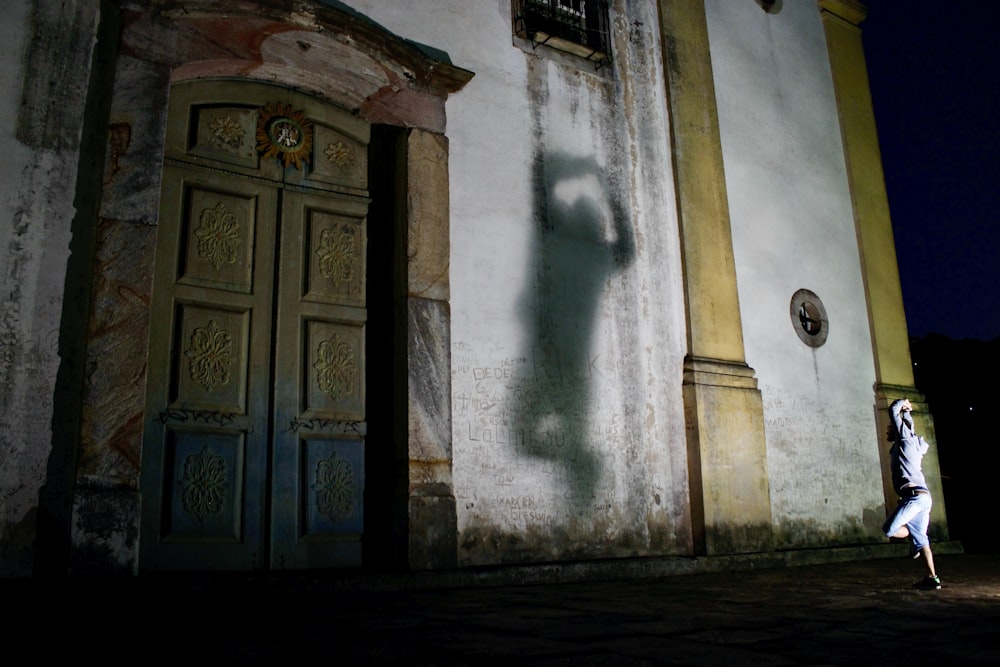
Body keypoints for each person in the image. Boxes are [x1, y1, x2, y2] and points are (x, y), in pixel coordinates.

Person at [882, 398, 941, 590]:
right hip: (923, 497)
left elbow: (893, 410)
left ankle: (910, 535)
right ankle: (932, 578)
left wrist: (903, 403)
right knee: (922, 541)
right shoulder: (910, 442)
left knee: (889, 529)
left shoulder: (905, 439)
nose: (888, 430)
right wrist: (907, 413)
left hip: (913, 497)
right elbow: (908, 425)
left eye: (890, 428)